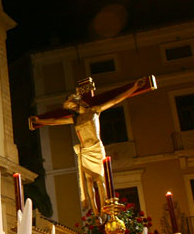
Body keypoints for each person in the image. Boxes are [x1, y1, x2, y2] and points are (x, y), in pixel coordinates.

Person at [28, 77, 147, 215]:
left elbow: (114, 100)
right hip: (85, 152)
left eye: (73, 106)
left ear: (79, 103)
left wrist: (134, 87)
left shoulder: (94, 111)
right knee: (89, 183)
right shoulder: (75, 118)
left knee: (100, 180)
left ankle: (105, 209)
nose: (72, 109)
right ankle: (97, 213)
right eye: (71, 108)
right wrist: (40, 120)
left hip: (96, 149)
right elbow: (55, 121)